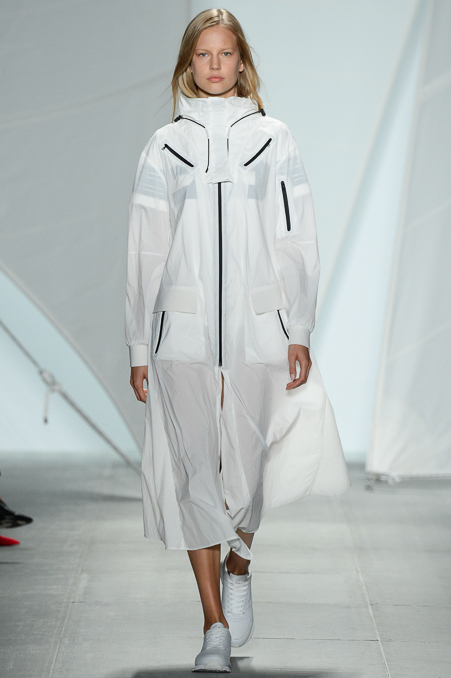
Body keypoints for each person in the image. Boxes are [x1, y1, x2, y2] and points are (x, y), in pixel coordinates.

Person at [125, 8, 351, 672]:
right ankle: (213, 626)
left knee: (249, 469)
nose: (215, 64)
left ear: (242, 62)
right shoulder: (164, 145)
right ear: (187, 65)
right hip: (181, 332)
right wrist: (138, 346)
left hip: (259, 328)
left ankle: (240, 563)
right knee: (195, 472)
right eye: (203, 54)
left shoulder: (273, 138)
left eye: (225, 53)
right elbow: (144, 249)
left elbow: (297, 237)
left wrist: (299, 327)